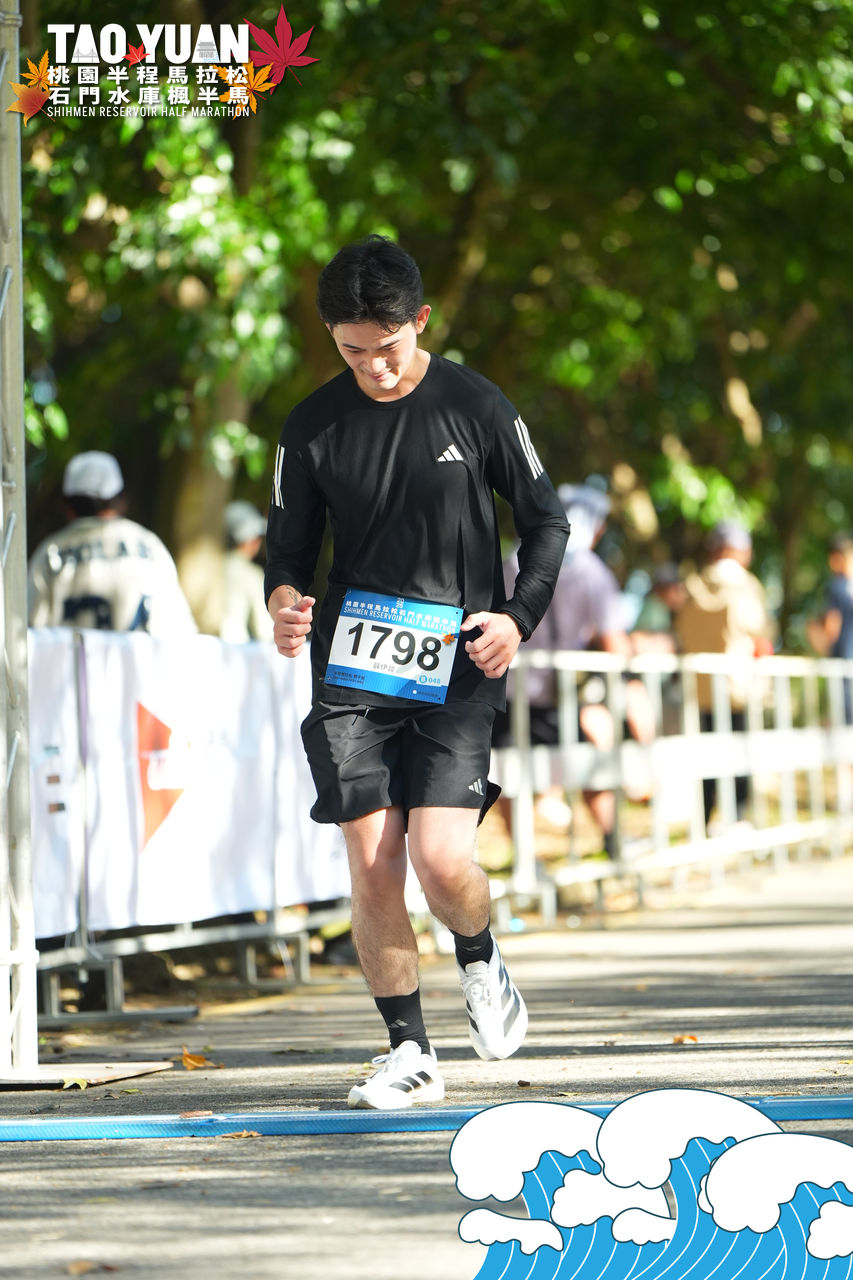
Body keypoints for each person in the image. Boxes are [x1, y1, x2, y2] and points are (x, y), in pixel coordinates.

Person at [264, 234, 569, 1109]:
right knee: (372, 862)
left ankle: (479, 956)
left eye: (388, 347)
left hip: (459, 661)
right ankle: (409, 1051)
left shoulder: (475, 404)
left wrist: (516, 619)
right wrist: (282, 601)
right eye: (352, 350)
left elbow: (546, 522)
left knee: (440, 861)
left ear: (421, 320)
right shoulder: (310, 426)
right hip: (353, 669)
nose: (374, 367)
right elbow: (287, 551)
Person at [494, 483, 655, 857]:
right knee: (586, 767)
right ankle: (614, 842)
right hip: (556, 691)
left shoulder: (516, 559)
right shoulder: (591, 571)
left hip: (510, 685)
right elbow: (614, 640)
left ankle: (525, 858)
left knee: (509, 775)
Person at [28, 450, 197, 635]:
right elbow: (180, 632)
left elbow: (30, 630)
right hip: (138, 654)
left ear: (67, 505)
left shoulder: (50, 553)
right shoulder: (151, 547)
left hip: (73, 655)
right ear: (120, 500)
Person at [674, 520, 774, 828]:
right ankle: (736, 820)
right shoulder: (746, 586)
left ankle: (704, 820)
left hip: (701, 689)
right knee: (739, 754)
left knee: (707, 757)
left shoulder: (694, 585)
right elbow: (761, 635)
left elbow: (682, 634)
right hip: (738, 687)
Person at [806, 531, 853, 727]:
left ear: (835, 558)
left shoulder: (836, 586)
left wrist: (813, 633)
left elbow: (831, 629)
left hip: (842, 665)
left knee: (844, 723)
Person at [219, 500, 270, 643]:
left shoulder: (210, 566)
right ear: (249, 538)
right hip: (236, 648)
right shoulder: (251, 574)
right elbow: (264, 629)